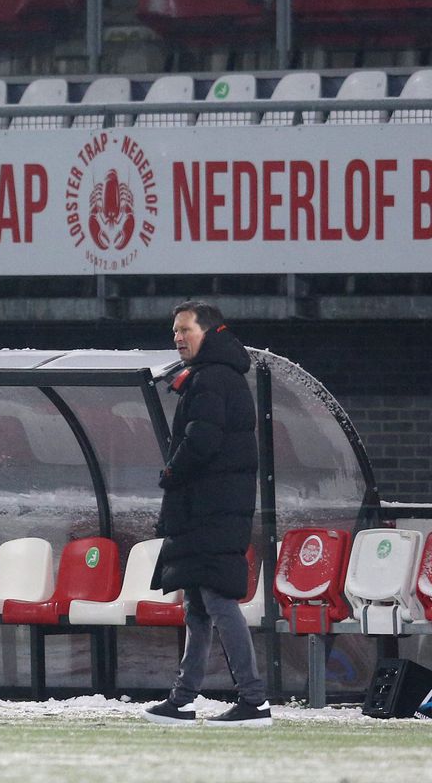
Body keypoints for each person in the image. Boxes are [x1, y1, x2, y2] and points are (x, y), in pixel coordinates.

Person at [141, 301, 270, 727]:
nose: (177, 337)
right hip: (215, 507)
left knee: (216, 599)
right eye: (174, 331)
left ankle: (254, 700)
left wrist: (172, 471)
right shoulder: (218, 376)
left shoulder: (210, 379)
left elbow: (202, 440)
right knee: (198, 603)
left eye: (185, 330)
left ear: (210, 333)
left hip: (211, 509)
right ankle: (183, 698)